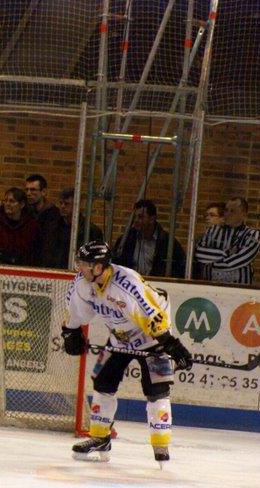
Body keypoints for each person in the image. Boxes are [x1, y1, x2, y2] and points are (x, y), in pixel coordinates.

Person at [61, 241, 192, 465]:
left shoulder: (127, 283)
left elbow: (152, 315)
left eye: (84, 264)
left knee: (157, 389)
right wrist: (71, 331)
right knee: (102, 380)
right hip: (119, 336)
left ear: (99, 267)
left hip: (151, 335)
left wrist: (171, 345)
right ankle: (100, 438)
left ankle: (161, 445)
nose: (79, 268)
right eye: (79, 263)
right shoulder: (82, 283)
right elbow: (77, 312)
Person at [195, 197, 260, 285]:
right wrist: (227, 253)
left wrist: (212, 263)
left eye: (232, 211)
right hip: (210, 287)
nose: (227, 214)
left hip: (239, 289)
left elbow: (236, 262)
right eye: (226, 210)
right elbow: (199, 253)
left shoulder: (252, 235)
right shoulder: (212, 230)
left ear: (244, 214)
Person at [113, 199, 186, 278]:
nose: (136, 220)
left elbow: (181, 269)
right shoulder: (126, 240)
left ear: (152, 219)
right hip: (130, 283)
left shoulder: (168, 243)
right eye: (135, 217)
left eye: (140, 217)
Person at [0, 187, 40, 266]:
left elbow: (35, 253)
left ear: (22, 204)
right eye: (5, 201)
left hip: (21, 270)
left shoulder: (31, 227)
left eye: (12, 201)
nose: (7, 204)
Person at [50, 188, 104, 269]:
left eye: (67, 204)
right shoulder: (53, 227)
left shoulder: (90, 231)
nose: (62, 206)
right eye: (61, 203)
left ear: (76, 205)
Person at [25, 174, 61, 267]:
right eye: (27, 189)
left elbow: (50, 243)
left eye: (33, 190)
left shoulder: (53, 214)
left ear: (43, 192)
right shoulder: (25, 212)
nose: (28, 193)